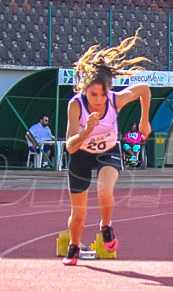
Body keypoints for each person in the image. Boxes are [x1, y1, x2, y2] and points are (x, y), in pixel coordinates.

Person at [62, 33, 152, 265]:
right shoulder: (76, 105)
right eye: (93, 95)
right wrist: (85, 131)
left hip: (108, 151)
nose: (99, 100)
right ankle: (74, 245)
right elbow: (70, 147)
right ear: (84, 89)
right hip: (81, 154)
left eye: (103, 94)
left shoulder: (115, 100)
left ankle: (106, 226)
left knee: (104, 191)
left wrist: (144, 121)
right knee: (79, 215)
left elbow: (143, 89)